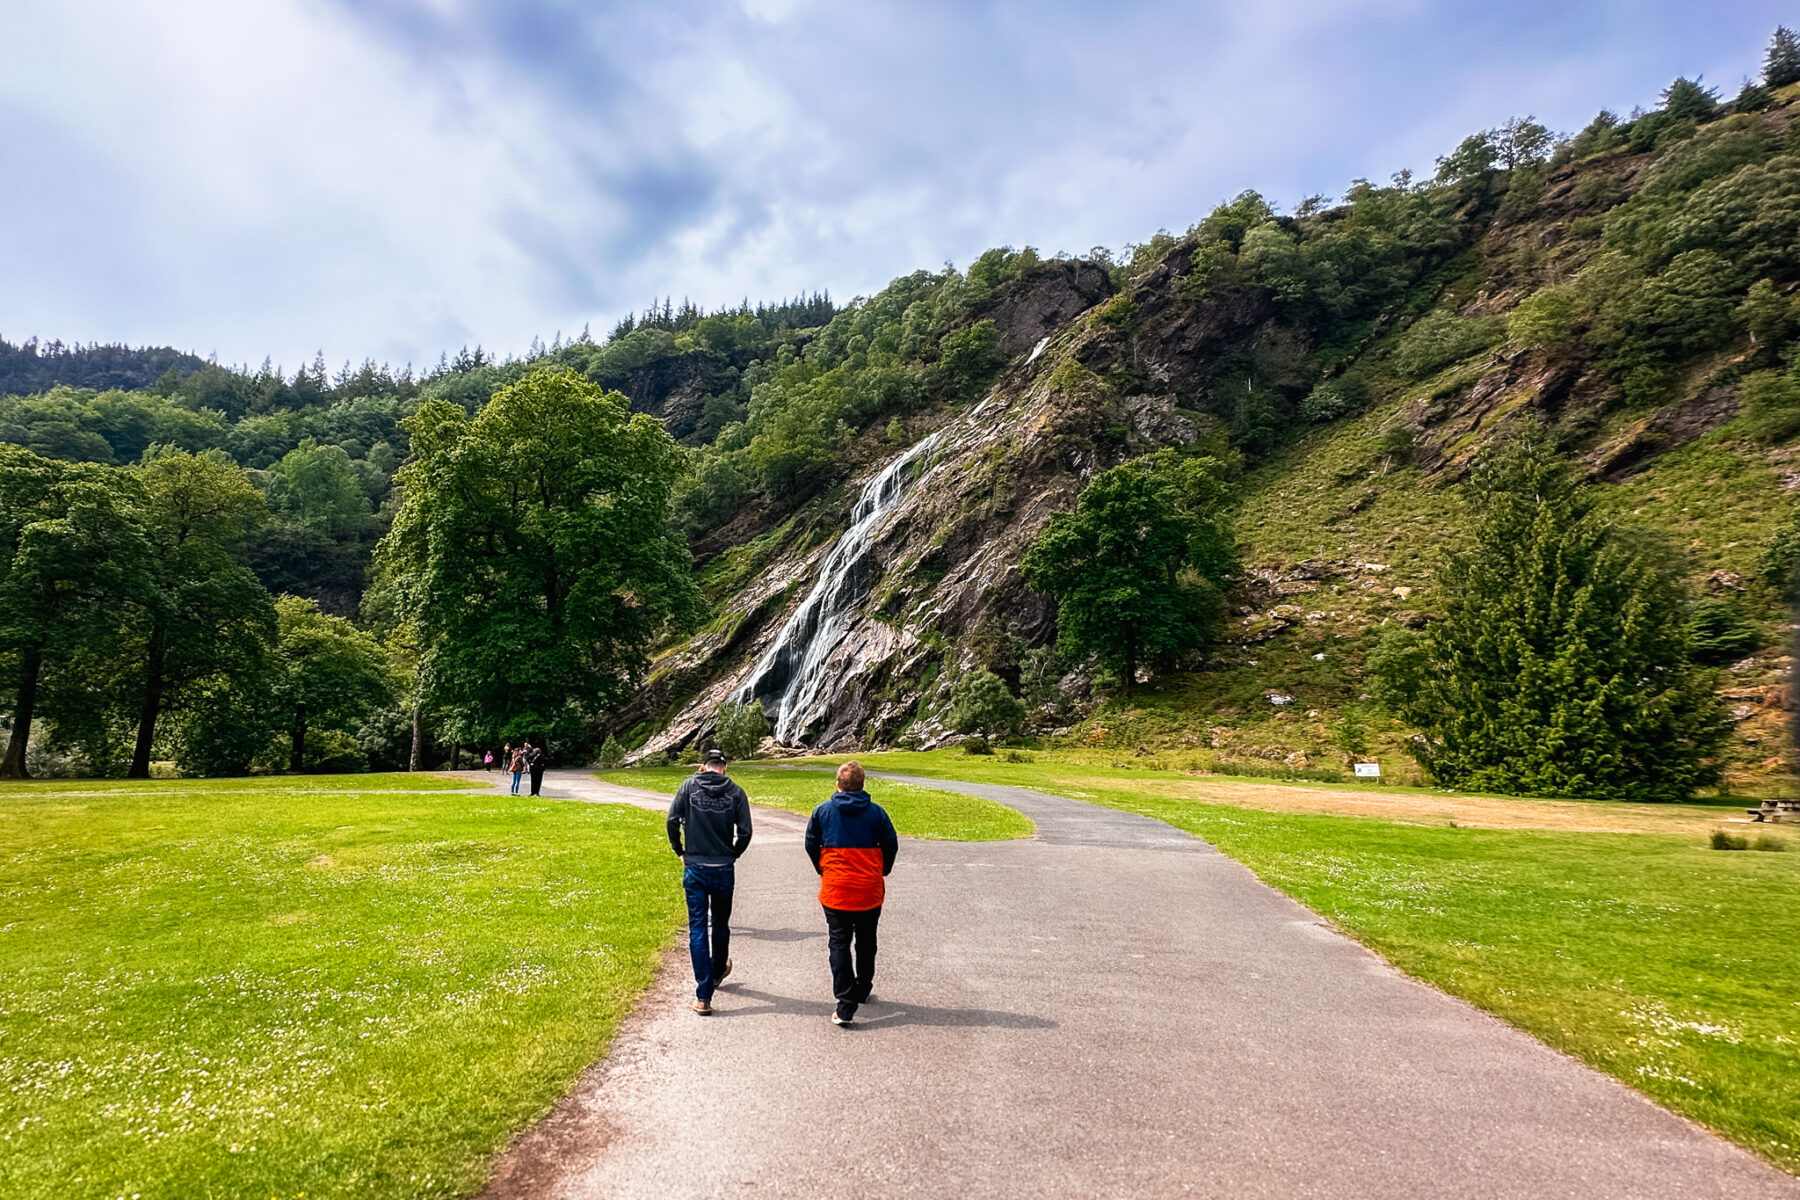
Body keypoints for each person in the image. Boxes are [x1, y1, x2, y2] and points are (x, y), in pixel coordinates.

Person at [804, 760, 898, 1027]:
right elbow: (891, 845)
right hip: (869, 888)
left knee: (839, 942)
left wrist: (822, 868)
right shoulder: (877, 814)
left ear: (837, 785)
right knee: (867, 940)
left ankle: (845, 1003)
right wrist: (883, 870)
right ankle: (863, 986)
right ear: (863, 785)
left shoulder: (822, 812)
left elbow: (810, 843)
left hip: (836, 888)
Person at [667, 748, 753, 1015]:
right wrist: (733, 854)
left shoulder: (688, 787)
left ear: (703, 766)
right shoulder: (736, 792)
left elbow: (672, 821)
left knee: (698, 927)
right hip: (723, 867)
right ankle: (717, 972)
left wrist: (679, 850)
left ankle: (704, 995)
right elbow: (746, 832)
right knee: (721, 923)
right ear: (724, 767)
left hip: (695, 866)